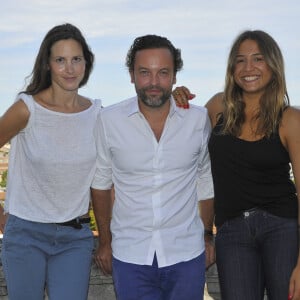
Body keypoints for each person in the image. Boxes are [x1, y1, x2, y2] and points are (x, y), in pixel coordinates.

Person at [173, 29, 300, 300]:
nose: (248, 68)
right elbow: (177, 133)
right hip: (231, 231)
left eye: (258, 59)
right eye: (240, 60)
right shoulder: (218, 107)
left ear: (273, 65)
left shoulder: (290, 119)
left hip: (281, 228)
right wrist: (175, 98)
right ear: (232, 68)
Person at [91, 34, 215, 300]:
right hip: (130, 255)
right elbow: (100, 184)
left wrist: (206, 235)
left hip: (187, 254)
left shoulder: (197, 118)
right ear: (132, 75)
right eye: (145, 73)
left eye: (163, 73)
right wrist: (104, 241)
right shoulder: (109, 120)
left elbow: (205, 177)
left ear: (174, 76)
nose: (154, 83)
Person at [0, 23, 102, 300]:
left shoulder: (96, 114)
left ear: (86, 63)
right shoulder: (27, 108)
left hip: (75, 237)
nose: (69, 69)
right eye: (60, 60)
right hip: (25, 235)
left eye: (76, 59)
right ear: (47, 64)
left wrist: (175, 98)